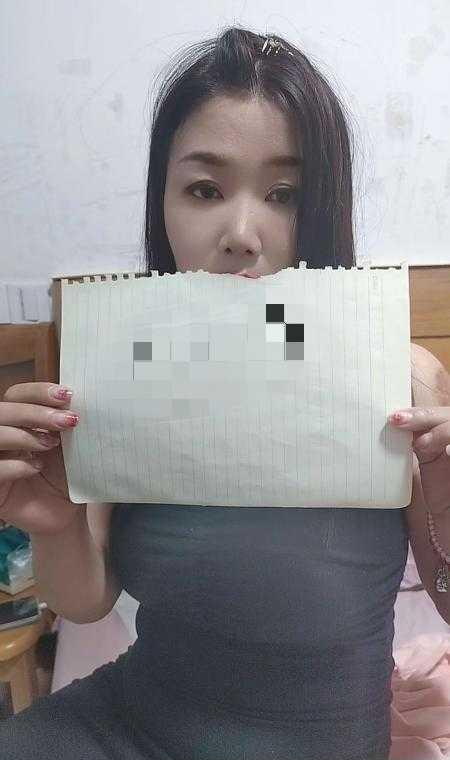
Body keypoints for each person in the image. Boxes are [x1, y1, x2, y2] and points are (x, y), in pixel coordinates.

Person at [0, 25, 449, 760]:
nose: (242, 232)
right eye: (204, 189)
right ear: (164, 202)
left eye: (284, 193)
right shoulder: (123, 370)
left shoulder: (398, 382)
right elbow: (86, 601)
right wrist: (53, 523)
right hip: (129, 725)